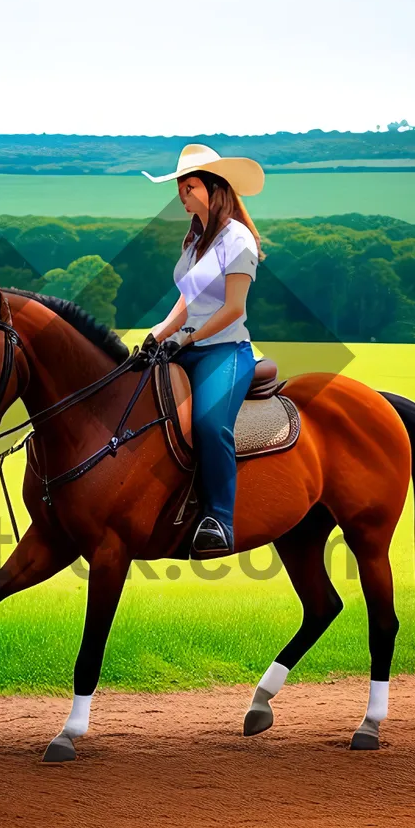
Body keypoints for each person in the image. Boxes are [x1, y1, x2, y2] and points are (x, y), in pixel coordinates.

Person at [140, 143, 266, 557]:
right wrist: (157, 334)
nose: (182, 195)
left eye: (189, 186)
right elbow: (185, 302)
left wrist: (187, 338)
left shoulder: (239, 240)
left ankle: (219, 519)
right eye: (180, 188)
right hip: (183, 345)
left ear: (214, 189)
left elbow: (234, 308)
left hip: (223, 351)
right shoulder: (194, 242)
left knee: (211, 427)